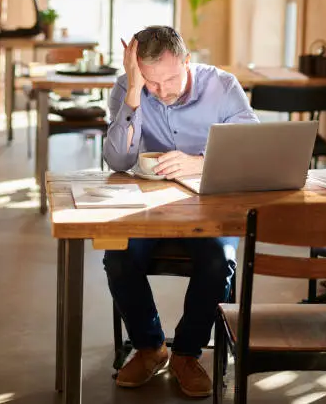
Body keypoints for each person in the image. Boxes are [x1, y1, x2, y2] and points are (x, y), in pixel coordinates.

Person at [103, 26, 259, 398]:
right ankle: (150, 346)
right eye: (152, 82)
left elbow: (252, 149)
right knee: (118, 257)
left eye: (171, 78)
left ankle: (187, 353)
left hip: (209, 202)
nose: (164, 91)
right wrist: (136, 94)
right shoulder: (129, 89)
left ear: (188, 61)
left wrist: (199, 163)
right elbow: (118, 160)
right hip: (147, 203)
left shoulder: (222, 86)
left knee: (218, 263)